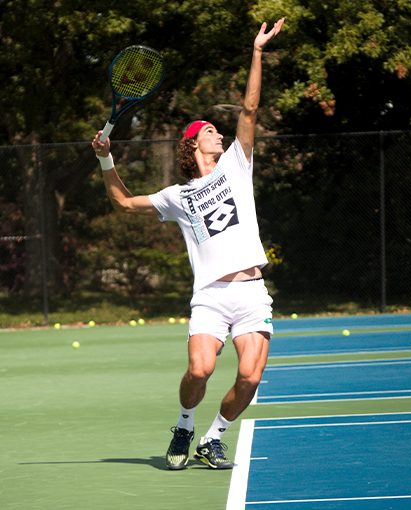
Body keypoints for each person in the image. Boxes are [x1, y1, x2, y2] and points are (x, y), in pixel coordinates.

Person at [92, 18, 285, 470]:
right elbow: (121, 200)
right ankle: (184, 424)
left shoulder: (237, 165)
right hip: (211, 296)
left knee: (250, 377)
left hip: (252, 292)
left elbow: (251, 111)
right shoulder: (176, 197)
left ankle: (213, 437)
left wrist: (257, 51)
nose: (220, 132)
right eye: (210, 131)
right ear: (193, 143)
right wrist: (105, 156)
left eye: (221, 129)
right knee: (199, 371)